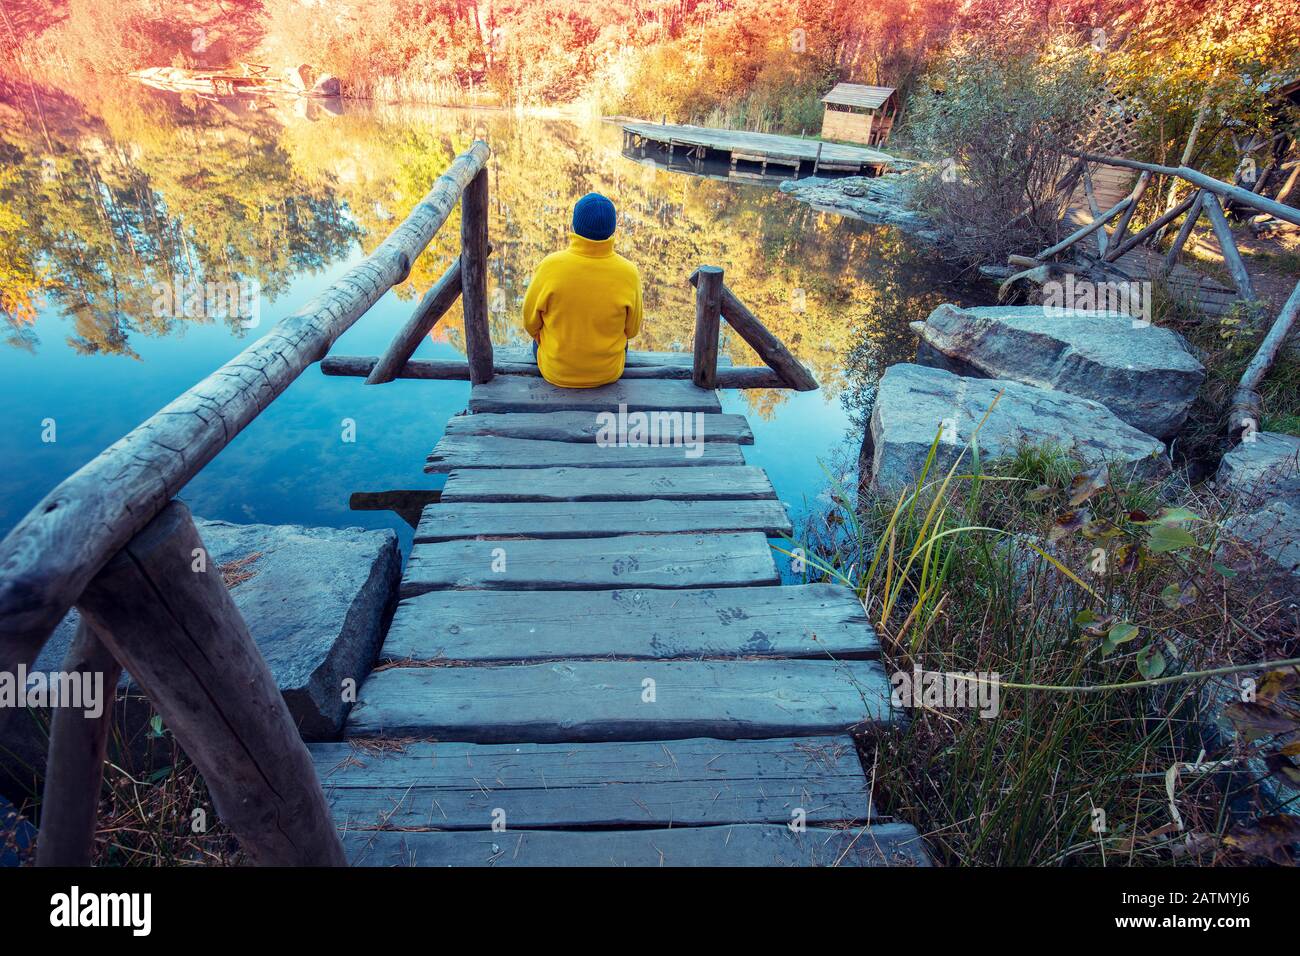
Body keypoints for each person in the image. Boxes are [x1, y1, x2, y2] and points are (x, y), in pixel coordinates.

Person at [522, 192, 643, 388]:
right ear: (612, 229)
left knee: (539, 341)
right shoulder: (629, 272)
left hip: (555, 371)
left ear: (574, 227)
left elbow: (530, 322)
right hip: (608, 372)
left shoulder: (550, 266)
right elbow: (632, 330)